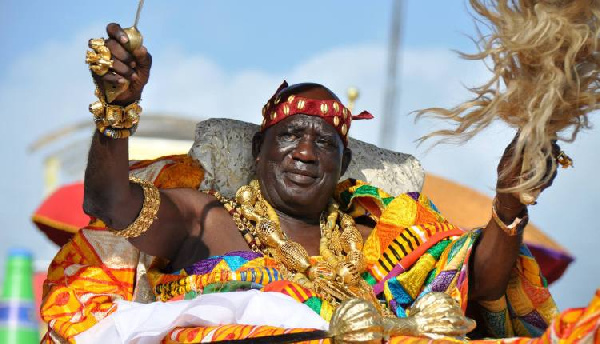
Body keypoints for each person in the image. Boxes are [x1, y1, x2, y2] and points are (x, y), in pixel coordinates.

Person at [42, 23, 564, 343]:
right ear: (258, 149)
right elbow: (109, 201)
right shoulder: (205, 222)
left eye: (327, 144)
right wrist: (117, 109)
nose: (308, 152)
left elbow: (479, 283)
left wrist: (510, 202)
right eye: (291, 135)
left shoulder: (379, 237)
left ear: (341, 166)